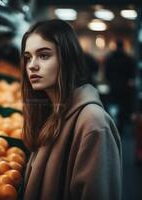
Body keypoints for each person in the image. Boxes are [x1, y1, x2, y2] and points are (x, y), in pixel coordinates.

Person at [21, 19, 122, 200]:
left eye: (44, 55)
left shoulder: (94, 124)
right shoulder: (49, 113)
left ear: (67, 58)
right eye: (28, 57)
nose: (32, 65)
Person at [104, 39, 136, 133]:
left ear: (115, 46)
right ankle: (121, 128)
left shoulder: (110, 59)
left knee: (113, 108)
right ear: (123, 47)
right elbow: (132, 74)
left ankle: (112, 126)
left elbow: (106, 74)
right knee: (123, 108)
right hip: (124, 88)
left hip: (113, 87)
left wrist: (110, 81)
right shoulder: (128, 59)